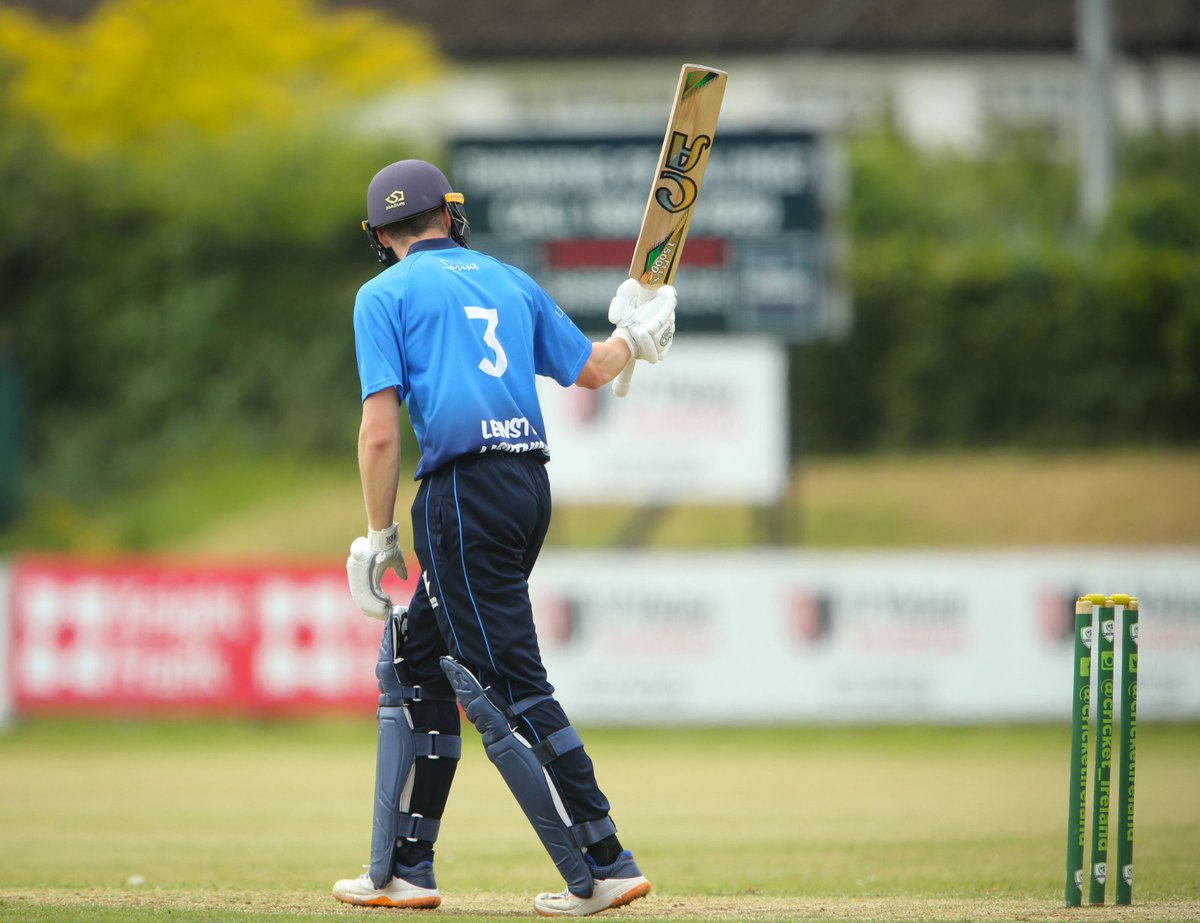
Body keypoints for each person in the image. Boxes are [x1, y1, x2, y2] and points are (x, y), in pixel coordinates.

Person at [331, 159, 676, 916]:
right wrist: (637, 335)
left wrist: (377, 532)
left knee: (506, 683)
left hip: (460, 493)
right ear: (450, 216)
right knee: (413, 659)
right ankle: (403, 868)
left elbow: (381, 435)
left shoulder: (382, 294)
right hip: (525, 489)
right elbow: (591, 368)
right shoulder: (508, 279)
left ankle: (605, 861)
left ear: (381, 236)